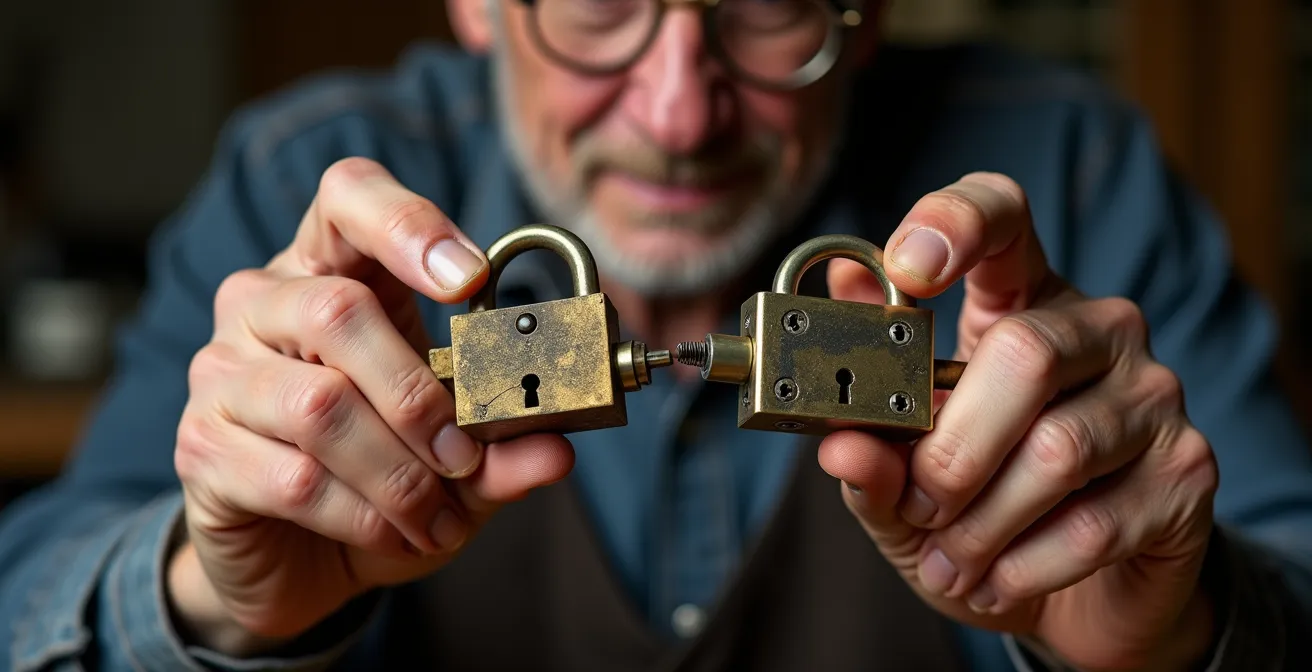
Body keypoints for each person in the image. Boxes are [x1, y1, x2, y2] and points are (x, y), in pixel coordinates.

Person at [1, 0, 1309, 669]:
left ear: (865, 13)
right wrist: (200, 602)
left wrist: (1183, 639)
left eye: (765, 8)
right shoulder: (294, 184)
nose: (681, 109)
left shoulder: (1071, 178)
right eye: (598, 4)